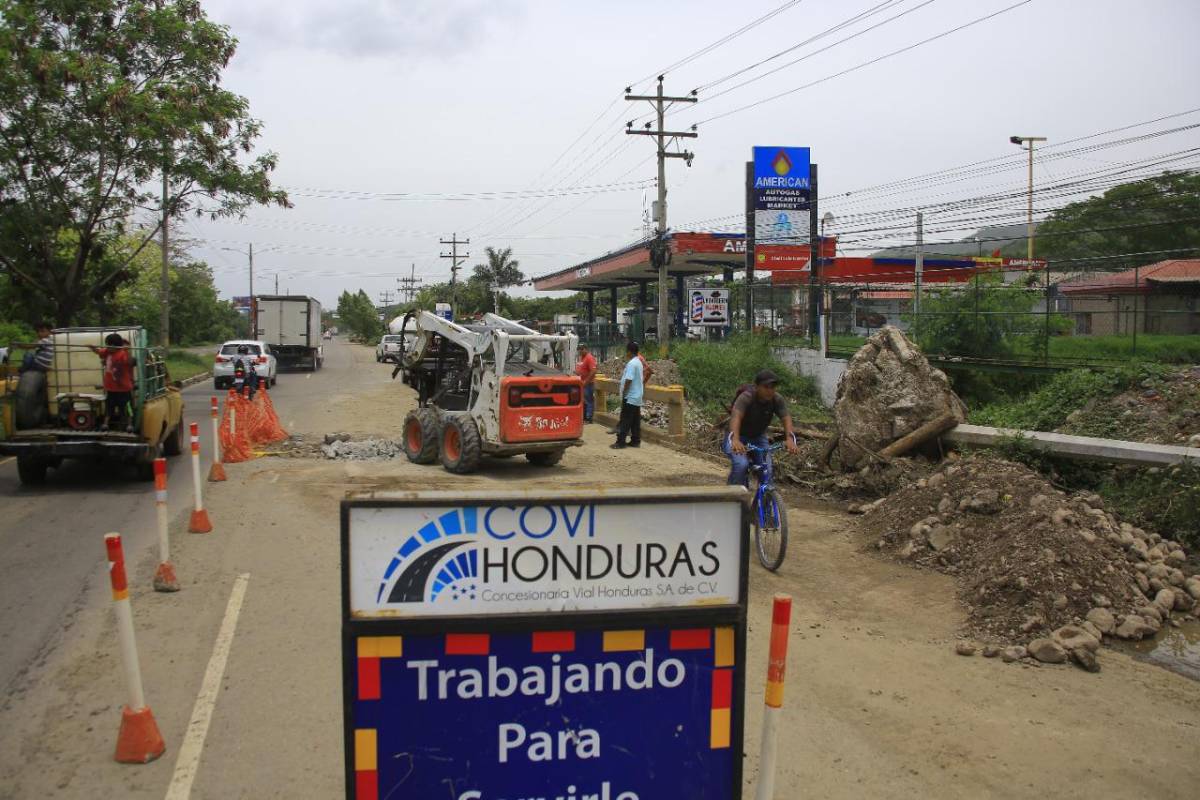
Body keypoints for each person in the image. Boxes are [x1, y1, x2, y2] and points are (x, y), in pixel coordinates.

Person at [723, 369, 799, 487]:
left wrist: (790, 439)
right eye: (766, 387)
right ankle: (733, 496)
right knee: (741, 465)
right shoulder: (746, 397)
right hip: (736, 436)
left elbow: (786, 418)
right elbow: (736, 417)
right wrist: (735, 440)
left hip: (758, 437)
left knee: (767, 469)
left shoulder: (777, 399)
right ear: (757, 387)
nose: (770, 391)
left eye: (773, 387)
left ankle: (766, 500)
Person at [90, 333, 134, 431]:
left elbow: (130, 362)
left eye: (109, 344)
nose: (107, 346)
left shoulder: (123, 353)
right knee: (109, 407)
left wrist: (128, 351)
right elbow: (99, 352)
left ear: (115, 345)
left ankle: (129, 424)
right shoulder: (107, 352)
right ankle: (106, 424)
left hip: (124, 388)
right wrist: (93, 348)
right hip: (111, 388)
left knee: (127, 407)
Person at [611, 342, 643, 449]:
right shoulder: (638, 362)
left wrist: (624, 391)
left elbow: (629, 379)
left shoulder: (631, 364)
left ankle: (620, 442)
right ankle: (635, 440)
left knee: (625, 419)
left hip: (630, 396)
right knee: (635, 420)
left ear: (629, 351)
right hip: (637, 396)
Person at [575, 344, 597, 423]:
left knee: (588, 401)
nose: (580, 351)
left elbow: (593, 371)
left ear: (585, 349)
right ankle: (584, 417)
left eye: (581, 349)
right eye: (579, 349)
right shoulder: (581, 358)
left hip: (588, 384)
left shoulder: (589, 358)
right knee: (584, 401)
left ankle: (589, 418)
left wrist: (586, 382)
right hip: (581, 383)